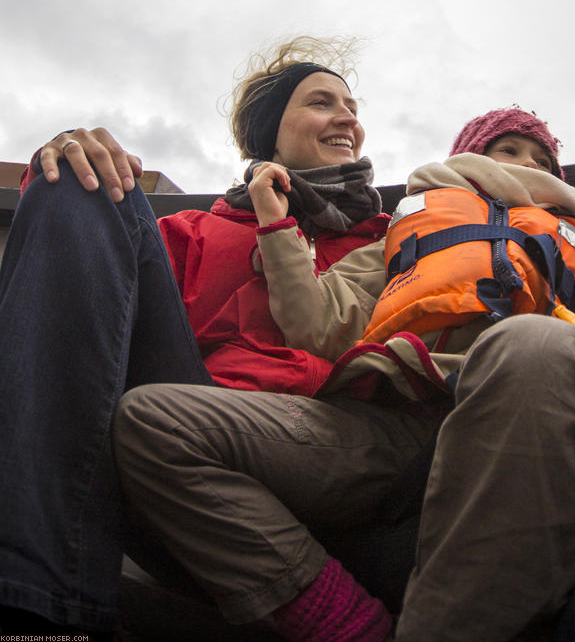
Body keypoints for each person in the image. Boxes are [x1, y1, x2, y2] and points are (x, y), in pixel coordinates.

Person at [113, 106, 575, 641]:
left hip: (507, 423)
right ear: (472, 157)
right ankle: (345, 624)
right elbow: (318, 323)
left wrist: (565, 360)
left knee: (534, 343)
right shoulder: (403, 238)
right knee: (153, 420)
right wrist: (276, 224)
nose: (527, 164)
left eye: (542, 161)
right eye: (509, 150)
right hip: (382, 431)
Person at [0, 36, 393, 640]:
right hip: (179, 438)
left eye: (353, 108)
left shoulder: (393, 238)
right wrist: (61, 164)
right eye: (321, 102)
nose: (348, 119)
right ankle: (39, 610)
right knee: (77, 178)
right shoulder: (189, 232)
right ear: (270, 134)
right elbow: (79, 305)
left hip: (333, 447)